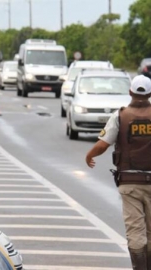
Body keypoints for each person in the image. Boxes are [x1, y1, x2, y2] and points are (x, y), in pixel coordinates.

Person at [85, 74, 151, 270]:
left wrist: (89, 155)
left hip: (130, 182)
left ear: (130, 92)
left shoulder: (120, 116)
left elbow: (103, 144)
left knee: (135, 231)